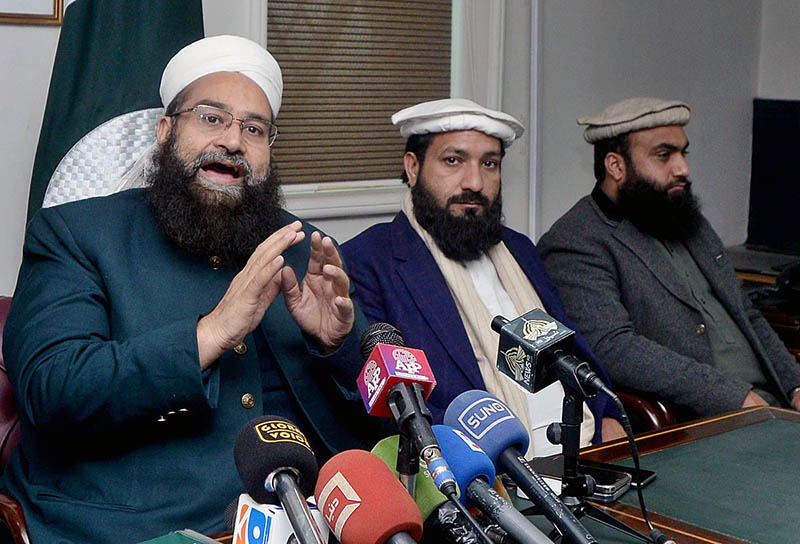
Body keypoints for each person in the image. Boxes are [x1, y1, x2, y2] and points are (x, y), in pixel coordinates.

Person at [0, 35, 383, 543]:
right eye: (211, 118)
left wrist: (336, 345)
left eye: (254, 129)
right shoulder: (76, 235)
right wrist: (211, 334)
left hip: (308, 521)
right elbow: (51, 391)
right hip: (131, 526)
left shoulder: (299, 247)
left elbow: (380, 428)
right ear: (164, 131)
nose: (232, 141)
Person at [343, 99, 623, 457]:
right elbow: (390, 407)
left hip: (582, 453)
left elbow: (570, 351)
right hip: (486, 474)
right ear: (413, 168)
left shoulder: (518, 249)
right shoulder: (370, 261)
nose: (474, 182)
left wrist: (605, 415)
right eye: (453, 161)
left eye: (489, 164)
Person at [538, 97, 800, 418]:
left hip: (772, 402)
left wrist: (795, 385)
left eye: (682, 153)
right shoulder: (577, 240)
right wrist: (734, 397)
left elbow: (747, 313)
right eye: (664, 156)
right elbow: (613, 348)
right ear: (616, 166)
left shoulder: (685, 219)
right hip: (710, 414)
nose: (683, 169)